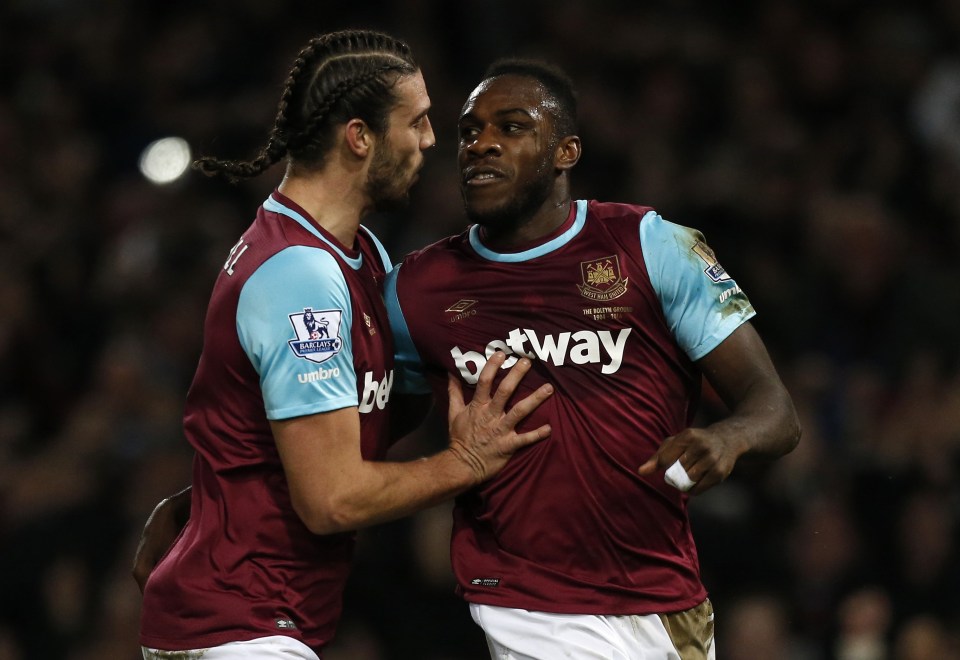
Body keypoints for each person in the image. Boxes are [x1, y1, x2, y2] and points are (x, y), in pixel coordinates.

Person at [135, 32, 554, 660]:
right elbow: (331, 499)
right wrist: (467, 463)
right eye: (416, 122)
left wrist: (206, 500)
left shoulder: (357, 257)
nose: (431, 141)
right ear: (359, 137)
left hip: (261, 621)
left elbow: (313, 426)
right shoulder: (299, 276)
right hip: (236, 626)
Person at [381, 58, 801, 658]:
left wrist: (728, 438)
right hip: (522, 603)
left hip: (660, 603)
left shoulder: (651, 247)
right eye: (469, 132)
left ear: (566, 151)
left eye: (512, 127)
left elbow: (777, 411)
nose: (482, 145)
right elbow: (365, 428)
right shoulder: (416, 290)